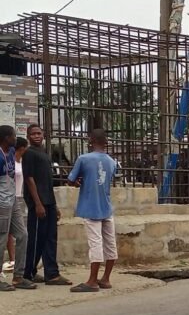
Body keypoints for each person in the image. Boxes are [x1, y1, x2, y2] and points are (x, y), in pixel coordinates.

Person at [65, 129, 118, 293]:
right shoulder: (112, 162)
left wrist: (78, 182)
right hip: (107, 207)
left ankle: (92, 281)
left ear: (91, 141)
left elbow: (71, 180)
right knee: (110, 243)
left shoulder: (84, 158)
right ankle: (106, 278)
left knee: (95, 243)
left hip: (90, 206)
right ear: (105, 143)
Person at [22, 124, 70, 286]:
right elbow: (29, 179)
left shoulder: (44, 153)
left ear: (43, 135)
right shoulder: (28, 154)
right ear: (28, 137)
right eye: (33, 134)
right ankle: (27, 273)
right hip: (38, 203)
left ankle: (52, 273)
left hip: (49, 201)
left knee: (50, 238)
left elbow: (47, 182)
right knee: (36, 239)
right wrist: (38, 204)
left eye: (39, 133)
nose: (36, 136)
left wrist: (54, 205)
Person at [0, 127, 36, 290]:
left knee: (22, 234)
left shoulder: (11, 151)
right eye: (13, 136)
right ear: (6, 138)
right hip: (2, 201)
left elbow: (25, 149)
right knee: (1, 239)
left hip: (12, 198)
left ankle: (18, 276)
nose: (16, 138)